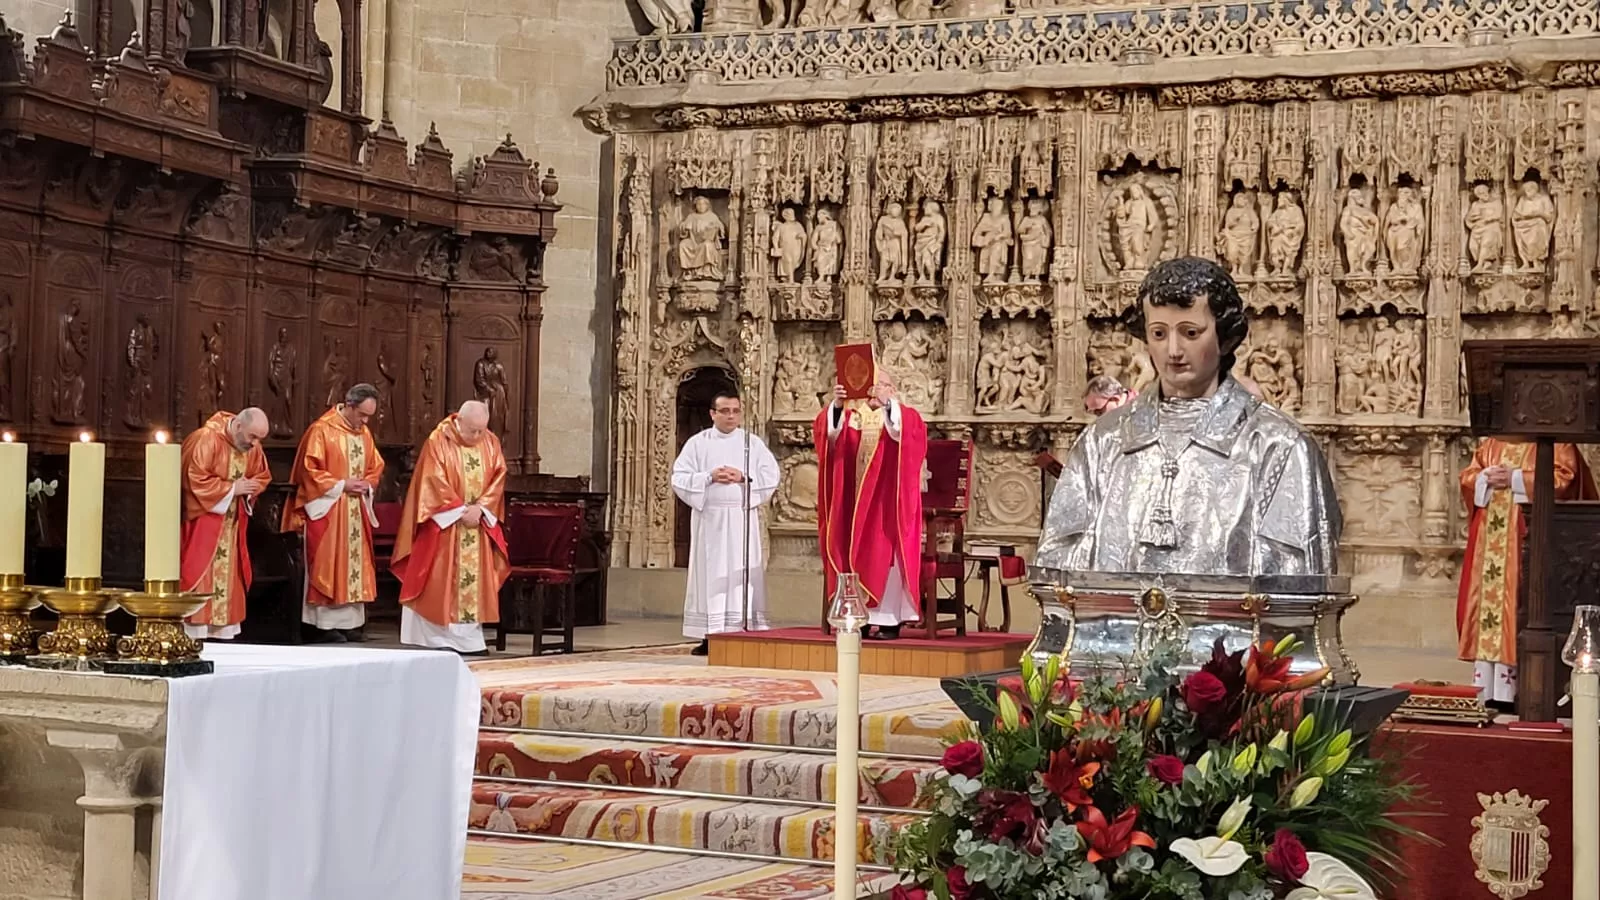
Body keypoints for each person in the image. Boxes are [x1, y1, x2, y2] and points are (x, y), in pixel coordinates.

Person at [1036, 257, 1341, 576]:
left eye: (1190, 332)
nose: (1173, 350)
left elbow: (1300, 582)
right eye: (1158, 333)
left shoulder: (1280, 445)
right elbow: (1059, 568)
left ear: (1225, 337)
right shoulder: (1104, 440)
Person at [1457, 438, 1596, 708]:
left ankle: (1514, 691)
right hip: (1489, 544)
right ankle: (1485, 688)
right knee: (1488, 611)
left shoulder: (1558, 443)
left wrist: (1516, 478)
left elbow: (1564, 481)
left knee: (1516, 606)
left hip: (1527, 544)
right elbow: (1468, 476)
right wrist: (1484, 477)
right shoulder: (1491, 444)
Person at [814, 368, 928, 640]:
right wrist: (838, 406)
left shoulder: (905, 416)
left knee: (883, 554)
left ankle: (889, 620)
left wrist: (890, 407)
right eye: (871, 385)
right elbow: (827, 439)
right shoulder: (852, 417)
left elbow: (907, 438)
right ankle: (857, 615)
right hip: (852, 503)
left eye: (883, 385)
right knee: (848, 549)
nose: (875, 390)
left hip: (886, 502)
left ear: (893, 390)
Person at [392, 401, 509, 655]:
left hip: (476, 524)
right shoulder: (438, 440)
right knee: (437, 580)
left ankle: (468, 639)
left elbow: (499, 477)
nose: (478, 436)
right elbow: (432, 481)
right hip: (444, 527)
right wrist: (459, 511)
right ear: (460, 421)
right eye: (473, 430)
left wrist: (481, 509)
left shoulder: (490, 442)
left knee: (472, 583)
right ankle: (436, 637)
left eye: (482, 430)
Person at [670, 389, 780, 655]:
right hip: (710, 518)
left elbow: (771, 475)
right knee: (710, 576)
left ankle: (744, 631)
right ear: (712, 414)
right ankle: (711, 634)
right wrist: (708, 476)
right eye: (725, 411)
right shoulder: (698, 443)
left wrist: (743, 477)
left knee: (742, 573)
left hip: (741, 518)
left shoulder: (751, 443)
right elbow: (679, 477)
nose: (731, 416)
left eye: (735, 411)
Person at [281, 383, 386, 642]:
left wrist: (367, 483)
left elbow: (375, 464)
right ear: (348, 405)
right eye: (362, 414)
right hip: (328, 510)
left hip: (355, 510)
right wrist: (342, 484)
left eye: (368, 416)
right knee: (329, 565)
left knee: (354, 567)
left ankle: (350, 623)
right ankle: (324, 626)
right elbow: (310, 470)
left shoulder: (364, 434)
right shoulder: (322, 430)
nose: (364, 421)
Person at [180, 408, 272, 640]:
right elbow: (193, 480)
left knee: (230, 576)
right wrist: (232, 489)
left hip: (232, 527)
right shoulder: (205, 439)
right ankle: (196, 631)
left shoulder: (252, 447)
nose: (256, 444)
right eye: (253, 437)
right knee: (199, 573)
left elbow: (262, 475)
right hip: (202, 524)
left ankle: (221, 632)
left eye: (260, 438)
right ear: (238, 426)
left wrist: (249, 489)